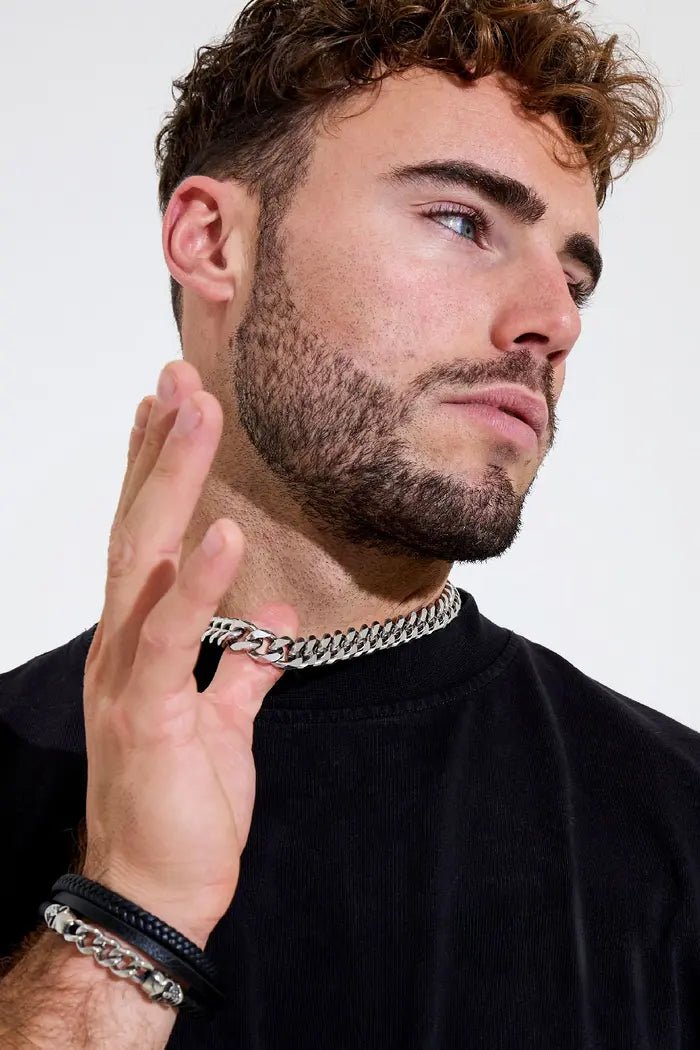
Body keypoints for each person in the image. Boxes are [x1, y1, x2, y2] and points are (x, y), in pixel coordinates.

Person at [0, 0, 696, 1047]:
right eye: (461, 221)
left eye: (573, 277)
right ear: (213, 241)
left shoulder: (676, 824)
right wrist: (129, 911)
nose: (553, 322)